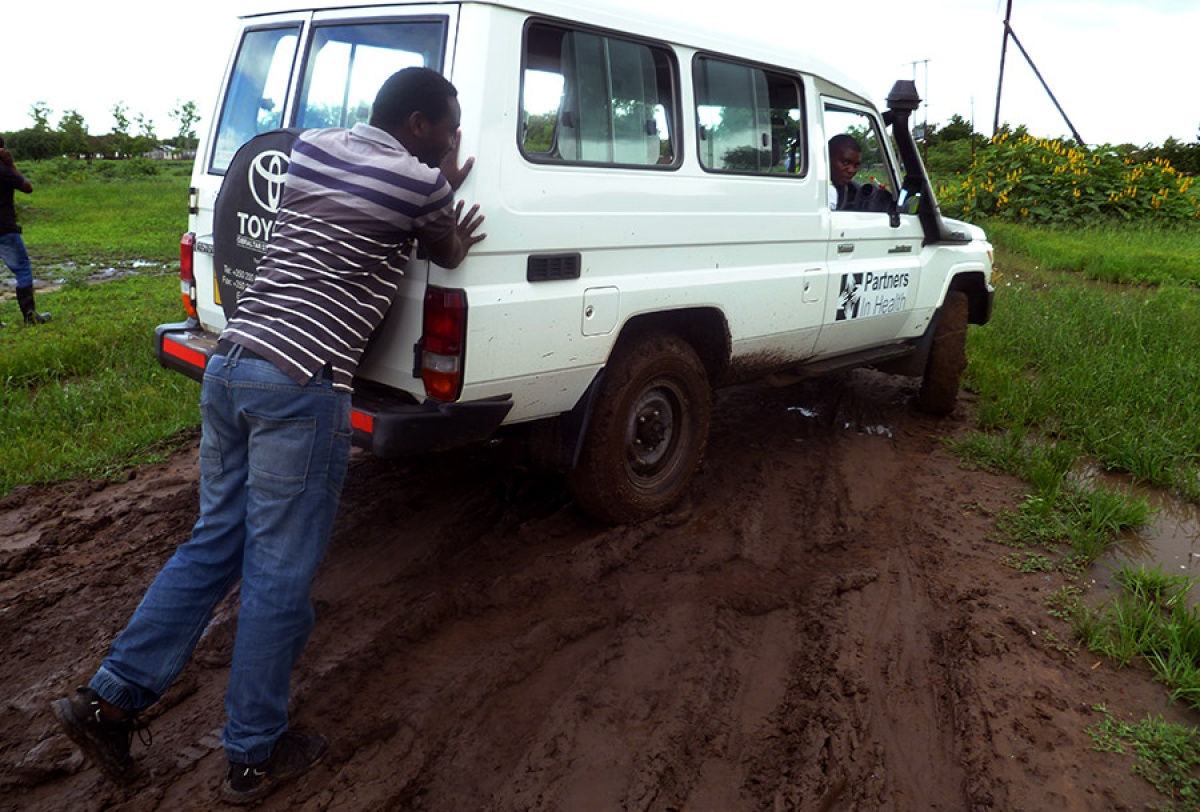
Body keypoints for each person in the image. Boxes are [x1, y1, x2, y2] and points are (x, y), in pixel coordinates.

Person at [51, 66, 487, 805]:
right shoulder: (422, 184)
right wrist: (441, 179)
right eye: (448, 126)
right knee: (280, 574)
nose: (454, 139)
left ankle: (108, 701)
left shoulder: (312, 147)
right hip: (303, 378)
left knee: (214, 541)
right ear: (418, 125)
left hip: (233, 364)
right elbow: (445, 251)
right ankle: (253, 754)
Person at [0, 136, 51, 325]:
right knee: (22, 269)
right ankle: (30, 316)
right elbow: (27, 187)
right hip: (4, 229)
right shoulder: (4, 171)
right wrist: (11, 165)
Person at [828, 133, 863, 211]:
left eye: (856, 166)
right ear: (828, 158)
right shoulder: (813, 189)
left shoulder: (854, 192)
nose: (851, 170)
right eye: (845, 163)